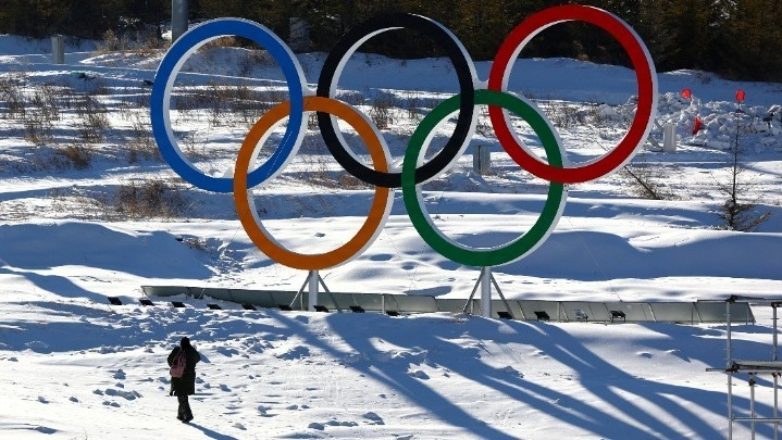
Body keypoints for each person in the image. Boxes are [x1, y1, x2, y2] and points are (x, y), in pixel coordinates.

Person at [167, 336, 201, 423]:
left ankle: (188, 415)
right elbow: (198, 358)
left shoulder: (178, 350)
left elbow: (169, 360)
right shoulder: (192, 351)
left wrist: (175, 365)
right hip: (189, 377)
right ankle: (181, 415)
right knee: (182, 395)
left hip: (179, 377)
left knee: (182, 396)